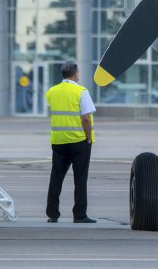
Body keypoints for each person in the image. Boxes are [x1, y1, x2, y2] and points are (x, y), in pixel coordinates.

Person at [45, 61, 97, 224]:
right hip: (78, 141)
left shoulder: (52, 91)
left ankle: (52, 214)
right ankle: (79, 215)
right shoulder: (81, 91)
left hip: (58, 141)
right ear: (76, 74)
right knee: (80, 179)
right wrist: (88, 137)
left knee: (56, 177)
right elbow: (86, 119)